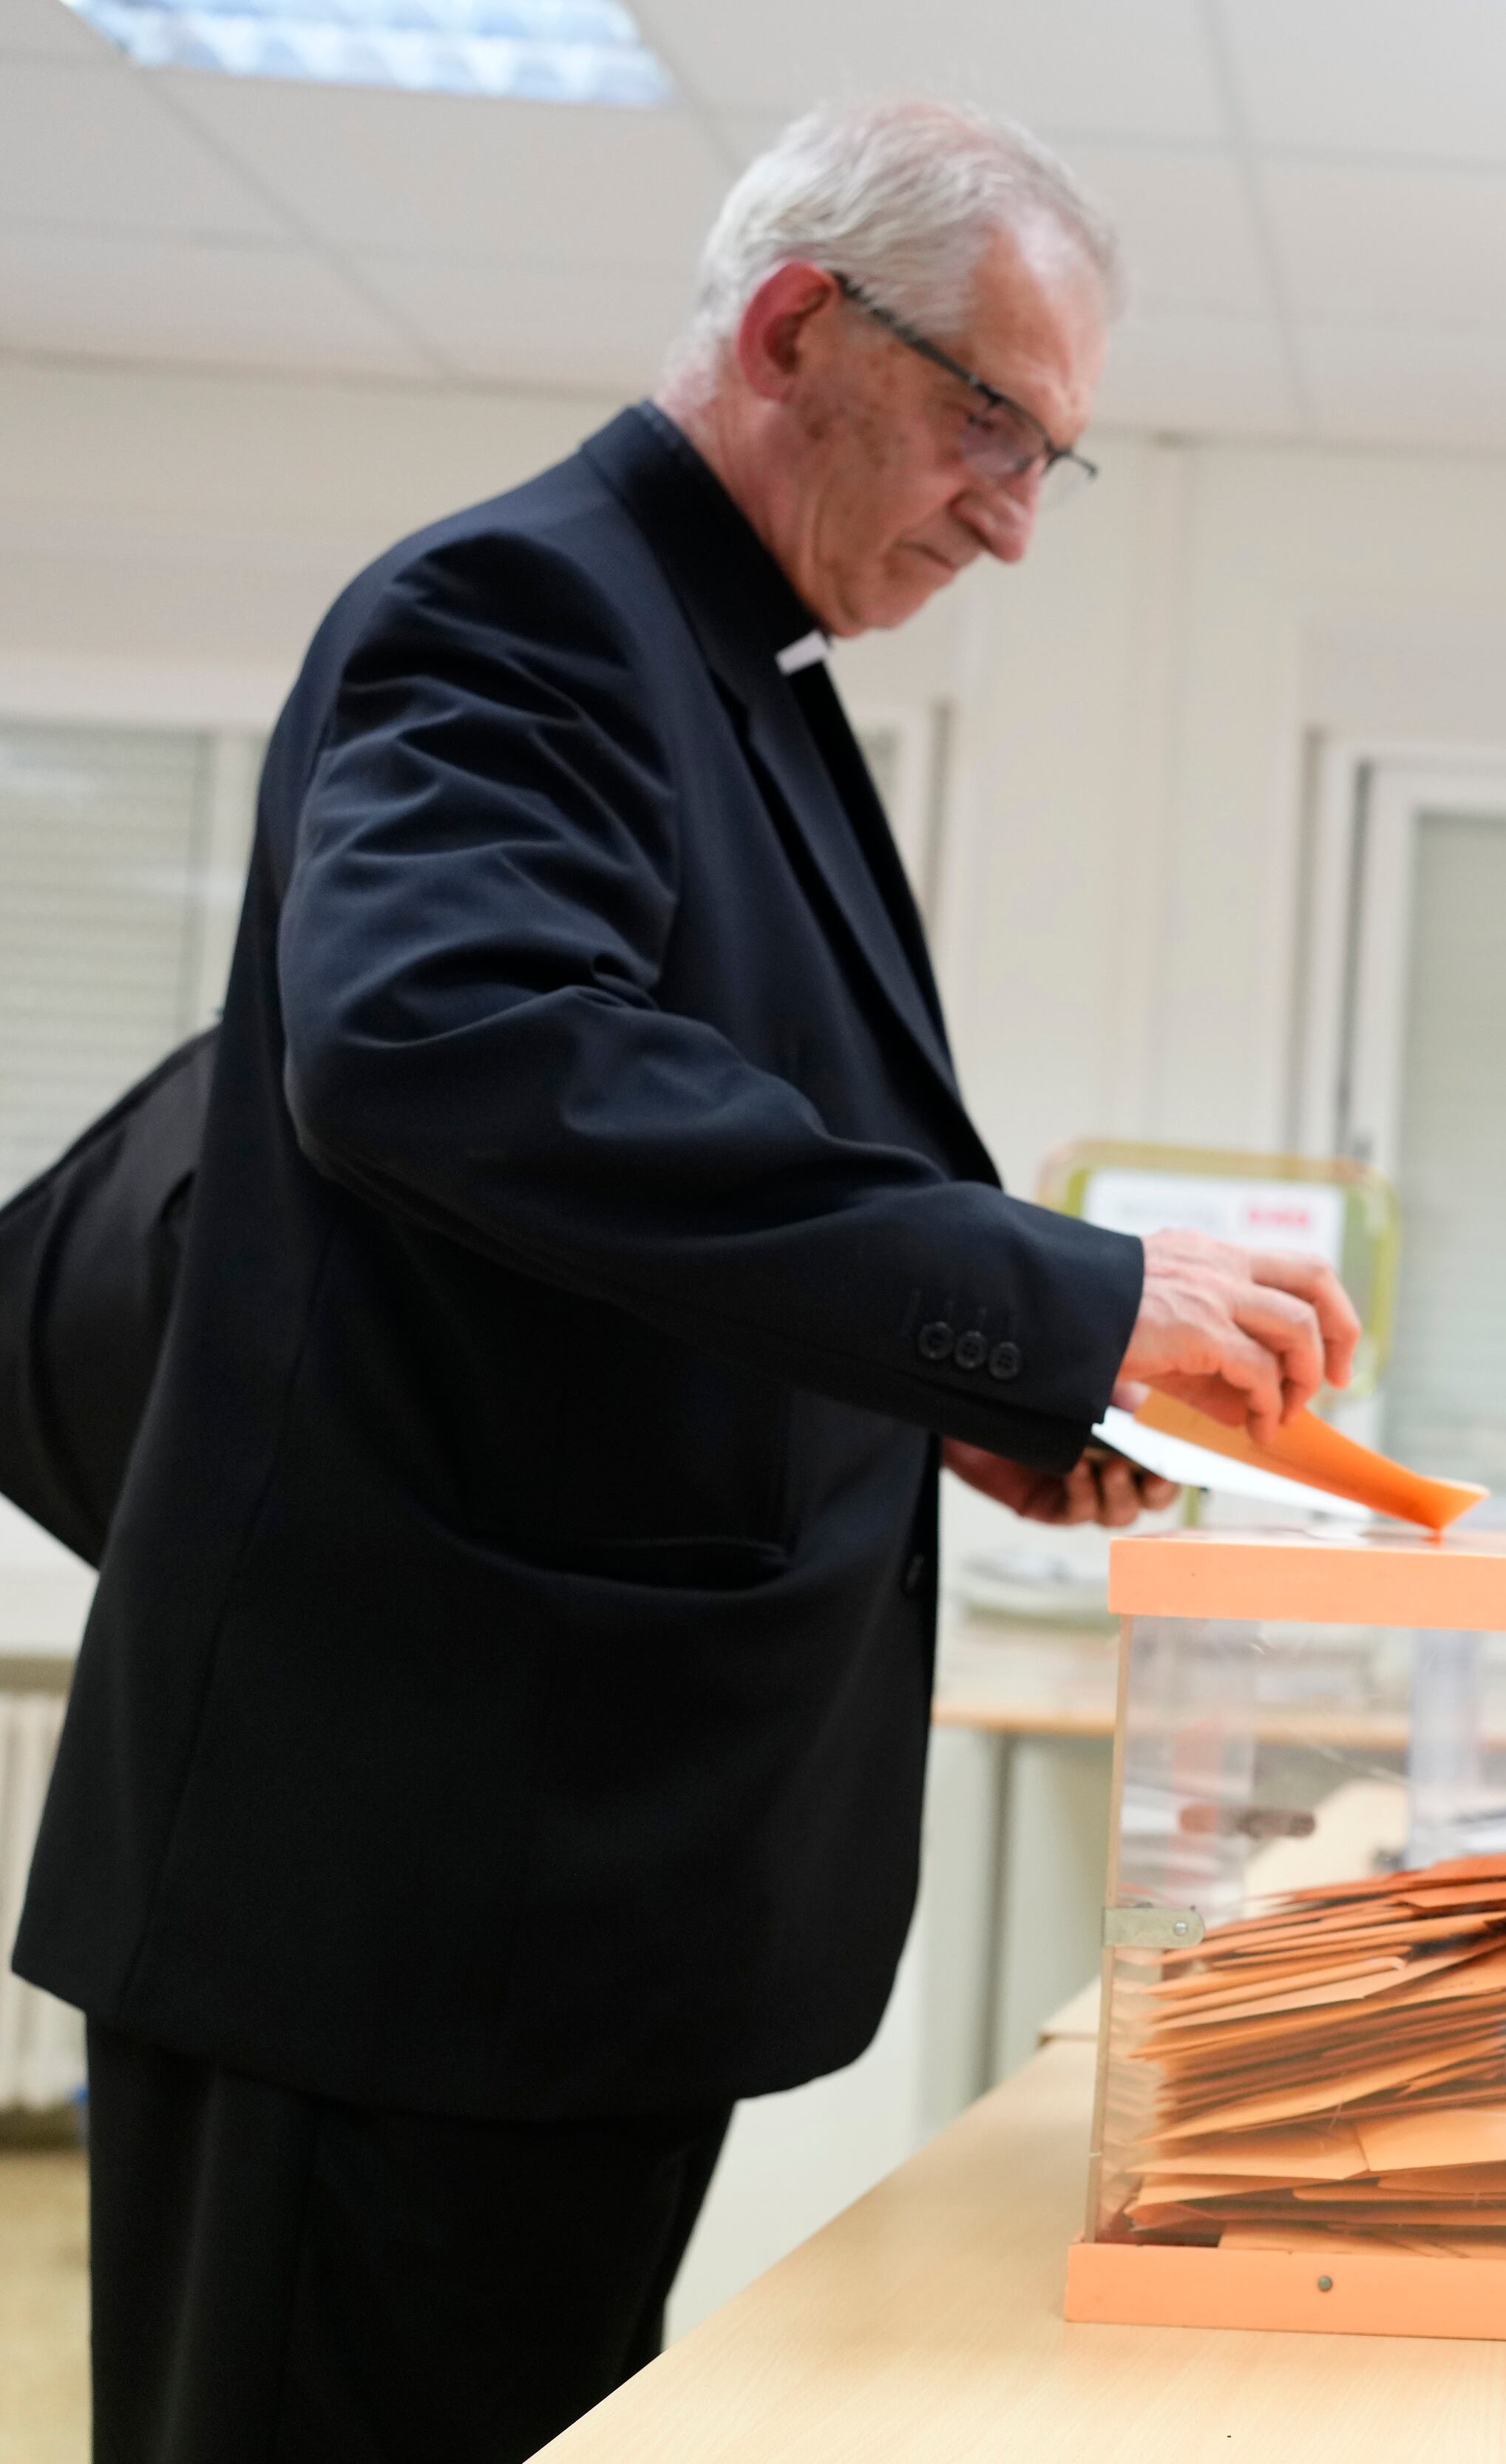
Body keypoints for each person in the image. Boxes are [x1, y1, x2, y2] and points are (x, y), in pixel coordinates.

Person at [12, 100, 1358, 2464]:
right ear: (791, 328)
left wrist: (970, 1390)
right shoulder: (526, 607)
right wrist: (1053, 1300)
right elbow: (449, 1054)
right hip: (405, 1897)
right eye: (990, 427)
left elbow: (605, 1226)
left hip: (557, 1908)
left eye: (1059, 462)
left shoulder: (735, 667)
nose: (1017, 517)